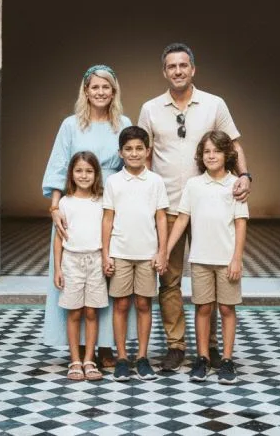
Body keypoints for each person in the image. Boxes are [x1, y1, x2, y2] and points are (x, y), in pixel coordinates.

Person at [138, 43, 252, 371]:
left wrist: (244, 175)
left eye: (183, 65)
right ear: (164, 72)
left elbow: (233, 144)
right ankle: (176, 345)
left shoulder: (214, 104)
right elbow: (143, 154)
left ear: (193, 69)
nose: (178, 71)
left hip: (209, 208)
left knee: (214, 275)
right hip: (167, 208)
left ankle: (211, 348)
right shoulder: (150, 108)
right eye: (171, 66)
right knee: (168, 279)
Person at [42, 64, 134, 366]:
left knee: (108, 276)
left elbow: (131, 166)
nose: (101, 92)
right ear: (86, 90)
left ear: (114, 90)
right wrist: (55, 208)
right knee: (74, 279)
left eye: (106, 86)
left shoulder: (123, 123)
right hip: (76, 207)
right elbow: (58, 166)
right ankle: (79, 350)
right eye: (95, 87)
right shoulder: (71, 125)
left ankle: (107, 346)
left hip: (112, 206)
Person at [159, 130, 248, 384]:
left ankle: (228, 360)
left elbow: (241, 224)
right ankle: (202, 358)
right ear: (201, 156)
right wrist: (165, 249)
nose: (211, 156)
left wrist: (236, 259)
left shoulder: (235, 186)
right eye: (206, 151)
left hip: (226, 260)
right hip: (200, 260)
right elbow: (182, 218)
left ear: (227, 154)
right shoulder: (194, 185)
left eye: (216, 151)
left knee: (227, 309)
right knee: (203, 308)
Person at [101, 126, 169, 381]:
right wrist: (106, 254)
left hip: (147, 255)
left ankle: (141, 357)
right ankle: (121, 357)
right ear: (120, 153)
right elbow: (108, 219)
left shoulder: (155, 181)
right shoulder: (113, 182)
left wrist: (162, 251)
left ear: (147, 151)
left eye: (139, 148)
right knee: (120, 304)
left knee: (143, 304)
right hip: (120, 253)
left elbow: (161, 217)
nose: (134, 153)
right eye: (128, 149)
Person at [53, 151, 108, 381]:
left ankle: (89, 359)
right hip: (72, 262)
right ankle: (75, 360)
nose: (84, 176)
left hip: (95, 260)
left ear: (96, 174)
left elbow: (107, 232)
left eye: (89, 171)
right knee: (74, 313)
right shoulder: (64, 203)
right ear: (71, 174)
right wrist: (57, 268)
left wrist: (107, 258)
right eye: (79, 171)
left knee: (91, 312)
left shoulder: (102, 201)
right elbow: (59, 238)